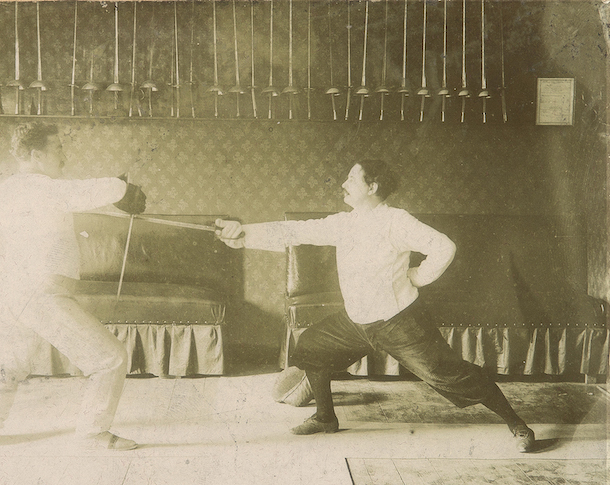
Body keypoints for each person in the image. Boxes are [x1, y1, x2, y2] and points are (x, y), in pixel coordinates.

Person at [215, 159, 536, 453]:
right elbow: (295, 231)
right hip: (356, 322)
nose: (345, 182)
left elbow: (443, 246)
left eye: (353, 178)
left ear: (373, 186)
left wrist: (417, 277)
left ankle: (517, 425)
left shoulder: (396, 221)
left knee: (450, 375)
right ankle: (325, 418)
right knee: (312, 344)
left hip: (399, 322)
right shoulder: (344, 223)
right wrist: (242, 235)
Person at [0, 122, 146, 451]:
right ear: (35, 154)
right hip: (41, 295)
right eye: (58, 148)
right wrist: (121, 189)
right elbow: (81, 193)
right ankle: (93, 433)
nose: (64, 155)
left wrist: (1, 267)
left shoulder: (8, 189)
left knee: (10, 362)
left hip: (16, 293)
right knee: (110, 358)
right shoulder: (39, 187)